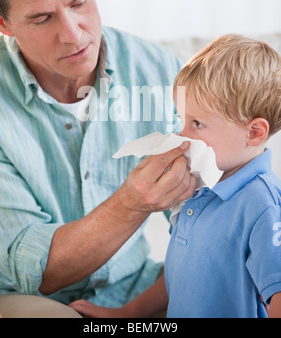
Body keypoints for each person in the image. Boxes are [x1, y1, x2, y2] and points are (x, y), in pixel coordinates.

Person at [0, 0, 197, 318]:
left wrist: (138, 310)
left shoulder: (159, 70)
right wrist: (132, 202)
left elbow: (206, 227)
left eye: (80, 0)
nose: (73, 34)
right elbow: (33, 272)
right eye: (42, 18)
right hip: (27, 302)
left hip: (139, 287)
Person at [69, 34, 281, 318]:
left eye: (197, 123)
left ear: (254, 133)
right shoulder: (200, 190)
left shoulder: (261, 204)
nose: (182, 134)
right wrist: (127, 313)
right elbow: (183, 273)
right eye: (183, 120)